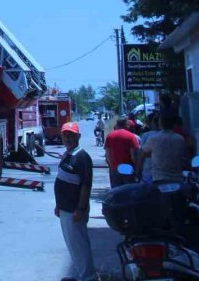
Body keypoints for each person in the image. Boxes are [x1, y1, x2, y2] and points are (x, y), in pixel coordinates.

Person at [54, 122, 98, 281]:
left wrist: (80, 209)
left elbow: (86, 185)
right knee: (72, 245)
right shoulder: (68, 154)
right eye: (65, 134)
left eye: (71, 135)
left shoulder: (82, 156)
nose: (68, 138)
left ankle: (88, 276)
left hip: (74, 210)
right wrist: (58, 205)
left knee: (79, 245)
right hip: (65, 208)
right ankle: (81, 274)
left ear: (78, 136)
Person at [136, 112, 185, 183]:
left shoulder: (154, 138)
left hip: (159, 178)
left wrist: (138, 171)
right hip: (177, 179)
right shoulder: (180, 138)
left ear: (160, 123)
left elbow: (142, 154)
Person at [105, 117, 140, 187]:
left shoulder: (110, 136)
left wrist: (111, 165)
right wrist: (137, 168)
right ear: (127, 125)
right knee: (128, 191)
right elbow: (133, 156)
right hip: (127, 167)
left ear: (117, 125)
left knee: (116, 191)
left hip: (114, 167)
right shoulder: (131, 136)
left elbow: (107, 154)